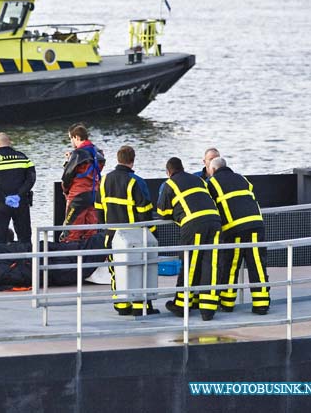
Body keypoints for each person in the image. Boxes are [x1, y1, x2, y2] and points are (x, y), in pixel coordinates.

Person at [95, 145, 158, 316]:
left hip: (111, 234)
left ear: (118, 159)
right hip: (134, 237)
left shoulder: (105, 180)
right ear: (133, 160)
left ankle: (122, 305)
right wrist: (151, 233)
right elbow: (145, 211)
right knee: (138, 269)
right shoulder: (135, 182)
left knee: (116, 270)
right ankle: (140, 307)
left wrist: (105, 228)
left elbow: (98, 209)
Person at [157, 157, 222, 321]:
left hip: (194, 224)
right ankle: (207, 309)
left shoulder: (169, 184)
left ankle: (181, 304)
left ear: (168, 172)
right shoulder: (198, 179)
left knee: (190, 263)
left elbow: (163, 213)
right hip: (215, 221)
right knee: (210, 263)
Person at [206, 157, 270, 315]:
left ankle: (227, 304)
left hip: (233, 228)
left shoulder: (211, 183)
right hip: (256, 224)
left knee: (230, 265)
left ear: (213, 170)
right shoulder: (242, 178)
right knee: (257, 264)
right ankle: (261, 304)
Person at [0, 132, 36, 244]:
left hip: (0, 204)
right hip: (21, 202)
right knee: (24, 237)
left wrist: (3, 197)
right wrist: (19, 195)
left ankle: (0, 261)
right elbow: (31, 179)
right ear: (10, 143)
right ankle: (26, 261)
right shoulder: (23, 158)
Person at [61, 123, 105, 241]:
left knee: (72, 229)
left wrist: (67, 161)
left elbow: (67, 176)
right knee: (91, 229)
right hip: (94, 193)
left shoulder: (77, 154)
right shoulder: (97, 152)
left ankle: (71, 256)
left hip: (78, 195)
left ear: (76, 137)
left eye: (71, 138)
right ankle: (92, 255)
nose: (71, 142)